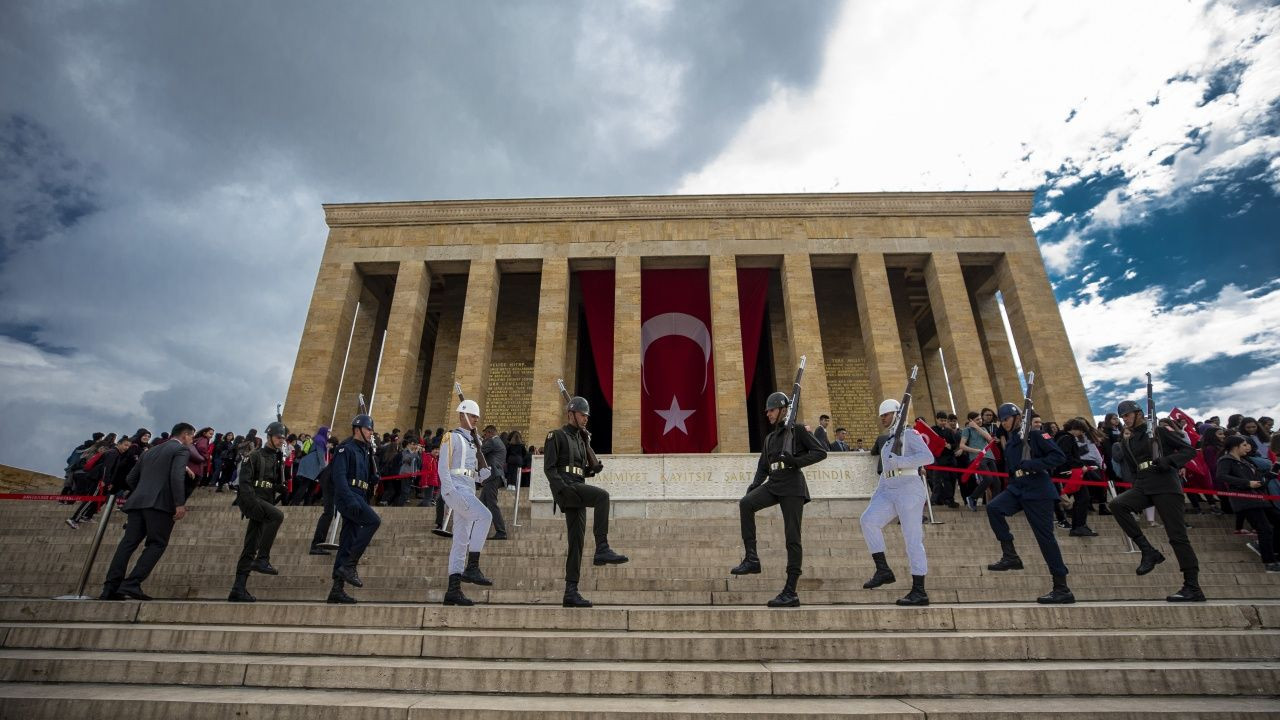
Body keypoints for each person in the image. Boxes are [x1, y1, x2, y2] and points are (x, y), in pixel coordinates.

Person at [729, 391, 827, 608]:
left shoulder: (797, 431)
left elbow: (820, 452)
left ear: (783, 410)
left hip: (792, 485)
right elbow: (763, 466)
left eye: (771, 410)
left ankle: (790, 591)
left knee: (792, 537)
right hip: (774, 482)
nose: (768, 414)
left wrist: (796, 461)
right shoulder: (770, 438)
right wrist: (754, 485)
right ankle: (752, 559)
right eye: (767, 411)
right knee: (746, 504)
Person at [1108, 399, 1203, 602]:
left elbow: (1188, 450)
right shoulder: (1127, 440)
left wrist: (1169, 461)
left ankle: (1192, 586)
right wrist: (1136, 484)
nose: (1124, 420)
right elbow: (1133, 467)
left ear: (1138, 413)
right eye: (1122, 417)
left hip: (1165, 484)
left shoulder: (1158, 432)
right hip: (1143, 484)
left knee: (1177, 536)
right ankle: (1148, 550)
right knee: (1117, 504)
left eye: (1127, 415)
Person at [983, 403, 1074, 604]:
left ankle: (1062, 587)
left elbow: (1058, 457)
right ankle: (1010, 556)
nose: (1004, 423)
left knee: (1045, 539)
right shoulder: (1012, 442)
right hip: (1017, 488)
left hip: (1038, 490)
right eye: (1002, 420)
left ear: (1017, 417)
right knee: (994, 508)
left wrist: (1033, 464)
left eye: (1006, 419)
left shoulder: (1035, 435)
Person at [543, 395, 628, 608]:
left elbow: (580, 470)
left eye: (587, 416)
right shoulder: (556, 436)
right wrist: (562, 489)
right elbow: (550, 468)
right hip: (567, 487)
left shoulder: (582, 440)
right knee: (602, 496)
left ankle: (570, 592)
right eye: (582, 415)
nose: (586, 418)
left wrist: (592, 469)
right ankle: (602, 547)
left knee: (576, 542)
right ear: (571, 414)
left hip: (577, 485)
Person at [100, 423, 195, 601]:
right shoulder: (181, 450)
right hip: (160, 504)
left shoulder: (150, 451)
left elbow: (130, 478)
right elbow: (176, 476)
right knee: (157, 543)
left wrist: (142, 492)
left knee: (127, 544)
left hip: (138, 502)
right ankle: (132, 583)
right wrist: (179, 503)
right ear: (184, 435)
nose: (192, 440)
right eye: (191, 436)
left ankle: (110, 587)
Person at [859, 398, 936, 606]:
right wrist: (877, 496)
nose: (883, 418)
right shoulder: (887, 443)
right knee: (868, 520)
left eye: (886, 415)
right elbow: (886, 472)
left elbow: (928, 457)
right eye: (881, 416)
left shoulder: (910, 435)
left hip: (909, 488)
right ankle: (883, 570)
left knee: (912, 540)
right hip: (889, 489)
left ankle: (919, 590)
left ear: (896, 414)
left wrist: (901, 461)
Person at [438, 401, 497, 606]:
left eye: (477, 417)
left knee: (461, 540)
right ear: (462, 415)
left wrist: (482, 475)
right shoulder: (451, 437)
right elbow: (443, 466)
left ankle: (453, 590)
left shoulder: (473, 442)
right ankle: (472, 566)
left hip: (468, 488)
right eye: (472, 416)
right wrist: (448, 490)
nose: (476, 419)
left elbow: (471, 473)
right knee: (485, 516)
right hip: (456, 489)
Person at [326, 414, 382, 604]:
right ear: (357, 430)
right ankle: (350, 565)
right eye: (368, 429)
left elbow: (365, 477)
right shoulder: (345, 448)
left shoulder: (365, 451)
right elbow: (339, 477)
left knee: (347, 541)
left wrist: (373, 477)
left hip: (360, 495)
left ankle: (337, 589)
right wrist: (350, 499)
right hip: (348, 496)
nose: (371, 432)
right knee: (373, 521)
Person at [228, 421, 287, 602]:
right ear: (269, 436)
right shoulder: (254, 455)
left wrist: (279, 487)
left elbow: (270, 481)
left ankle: (238, 588)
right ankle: (262, 558)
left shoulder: (277, 458)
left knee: (251, 545)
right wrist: (252, 502)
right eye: (278, 437)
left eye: (283, 438)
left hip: (266, 500)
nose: (281, 441)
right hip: (254, 500)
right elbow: (244, 482)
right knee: (277, 516)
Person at [1217, 436, 1280, 572]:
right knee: (1264, 528)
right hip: (1246, 500)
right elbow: (1221, 476)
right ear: (1235, 446)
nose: (1248, 447)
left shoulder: (1246, 461)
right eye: (1244, 445)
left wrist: (1275, 469)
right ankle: (1269, 562)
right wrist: (1247, 483)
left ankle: (1273, 551)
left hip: (1260, 499)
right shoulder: (1226, 460)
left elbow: (1260, 480)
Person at [68, 436, 133, 528]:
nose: (126, 448)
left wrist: (109, 482)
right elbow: (106, 468)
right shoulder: (113, 453)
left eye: (128, 446)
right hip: (99, 480)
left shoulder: (115, 453)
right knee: (91, 499)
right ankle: (74, 519)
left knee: (93, 499)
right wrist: (104, 481)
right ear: (119, 444)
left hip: (101, 480)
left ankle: (84, 516)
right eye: (125, 445)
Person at [1053, 418, 1101, 537]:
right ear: (1075, 429)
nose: (1082, 434)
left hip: (1065, 472)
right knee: (1083, 498)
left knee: (1081, 498)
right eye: (1082, 431)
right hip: (1069, 472)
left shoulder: (1061, 437)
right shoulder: (1067, 438)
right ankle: (1079, 526)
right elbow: (1066, 456)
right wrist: (1080, 465)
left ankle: (1079, 525)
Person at [960, 411, 998, 511]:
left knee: (997, 482)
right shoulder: (967, 430)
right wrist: (975, 450)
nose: (980, 421)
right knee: (988, 478)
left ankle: (996, 504)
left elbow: (989, 439)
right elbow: (962, 445)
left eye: (980, 418)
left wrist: (977, 427)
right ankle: (972, 497)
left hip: (990, 456)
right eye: (977, 420)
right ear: (971, 420)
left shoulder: (983, 429)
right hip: (978, 458)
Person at [479, 424, 508, 540]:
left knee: (492, 504)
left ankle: (501, 531)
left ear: (490, 433)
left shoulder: (492, 441)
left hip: (492, 476)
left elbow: (479, 452)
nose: (484, 436)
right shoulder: (499, 442)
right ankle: (477, 531)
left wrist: (477, 441)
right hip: (493, 476)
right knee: (481, 505)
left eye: (485, 434)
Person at [293, 426, 329, 506]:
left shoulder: (317, 438)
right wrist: (324, 467)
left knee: (311, 485)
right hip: (312, 465)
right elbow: (320, 454)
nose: (328, 434)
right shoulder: (320, 440)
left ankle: (306, 504)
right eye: (328, 432)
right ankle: (295, 503)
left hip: (312, 465)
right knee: (305, 484)